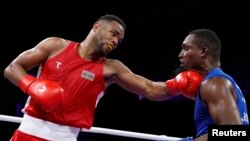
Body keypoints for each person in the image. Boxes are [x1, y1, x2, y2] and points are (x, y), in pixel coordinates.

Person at [4, 14, 203, 141]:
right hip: (25, 132)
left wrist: (178, 85)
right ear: (96, 27)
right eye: (113, 34)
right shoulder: (55, 45)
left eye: (119, 39)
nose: (116, 41)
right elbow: (12, 68)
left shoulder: (111, 68)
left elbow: (150, 89)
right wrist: (33, 86)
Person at [178, 29, 249, 141]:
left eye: (186, 48)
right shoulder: (223, 80)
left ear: (203, 51)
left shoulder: (214, 83)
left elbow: (234, 132)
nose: (180, 55)